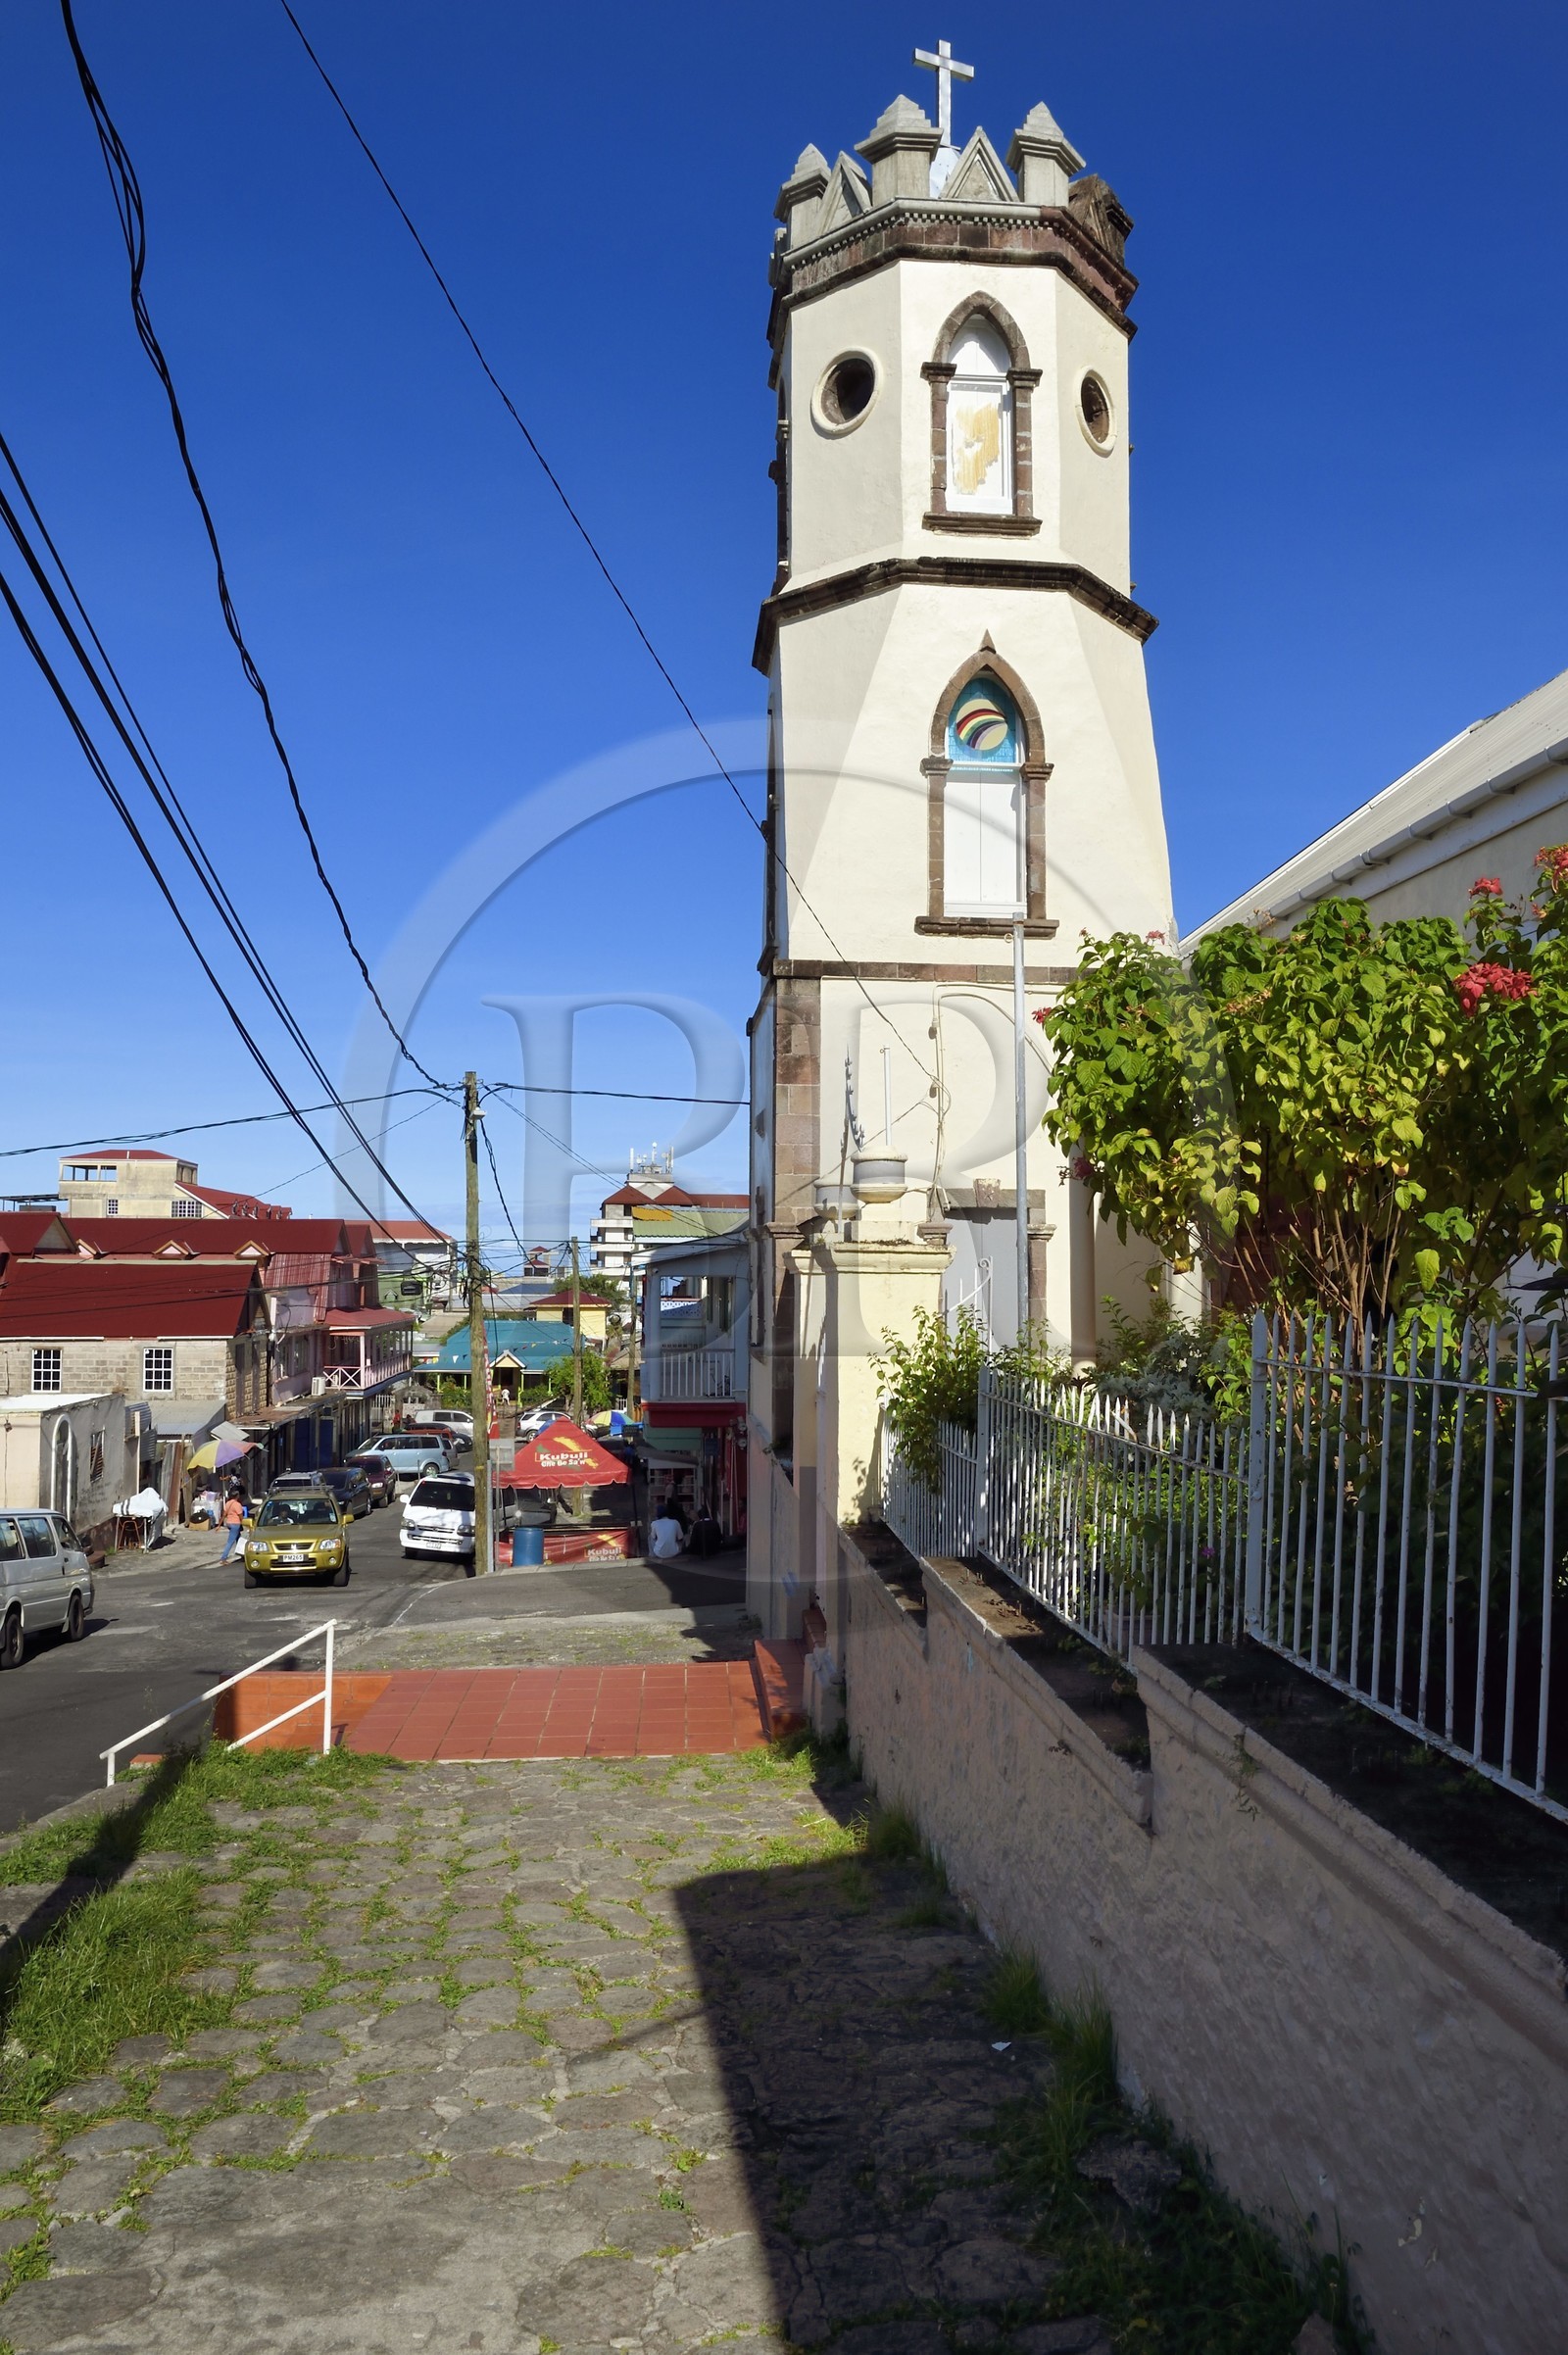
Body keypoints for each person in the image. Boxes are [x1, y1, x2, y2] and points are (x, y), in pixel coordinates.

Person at [219, 1491, 248, 1562]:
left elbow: (224, 1514)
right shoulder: (237, 1504)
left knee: (239, 1539)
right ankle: (223, 1558)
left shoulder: (228, 1503)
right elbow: (240, 1516)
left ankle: (243, 1555)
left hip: (229, 1523)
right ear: (237, 1496)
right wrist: (245, 1523)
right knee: (230, 1541)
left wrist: (219, 1524)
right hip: (235, 1524)